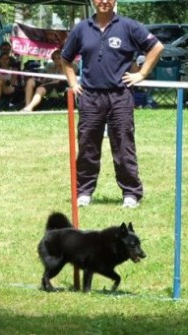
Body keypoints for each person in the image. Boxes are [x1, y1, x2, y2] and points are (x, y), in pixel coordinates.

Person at [61, 0, 164, 208]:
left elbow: (156, 47)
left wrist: (142, 74)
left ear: (115, 1)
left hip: (120, 95)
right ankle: (84, 192)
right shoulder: (81, 29)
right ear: (93, 2)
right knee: (87, 144)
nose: (104, 2)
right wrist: (73, 83)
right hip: (90, 97)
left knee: (123, 144)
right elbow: (65, 59)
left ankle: (131, 194)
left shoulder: (129, 26)